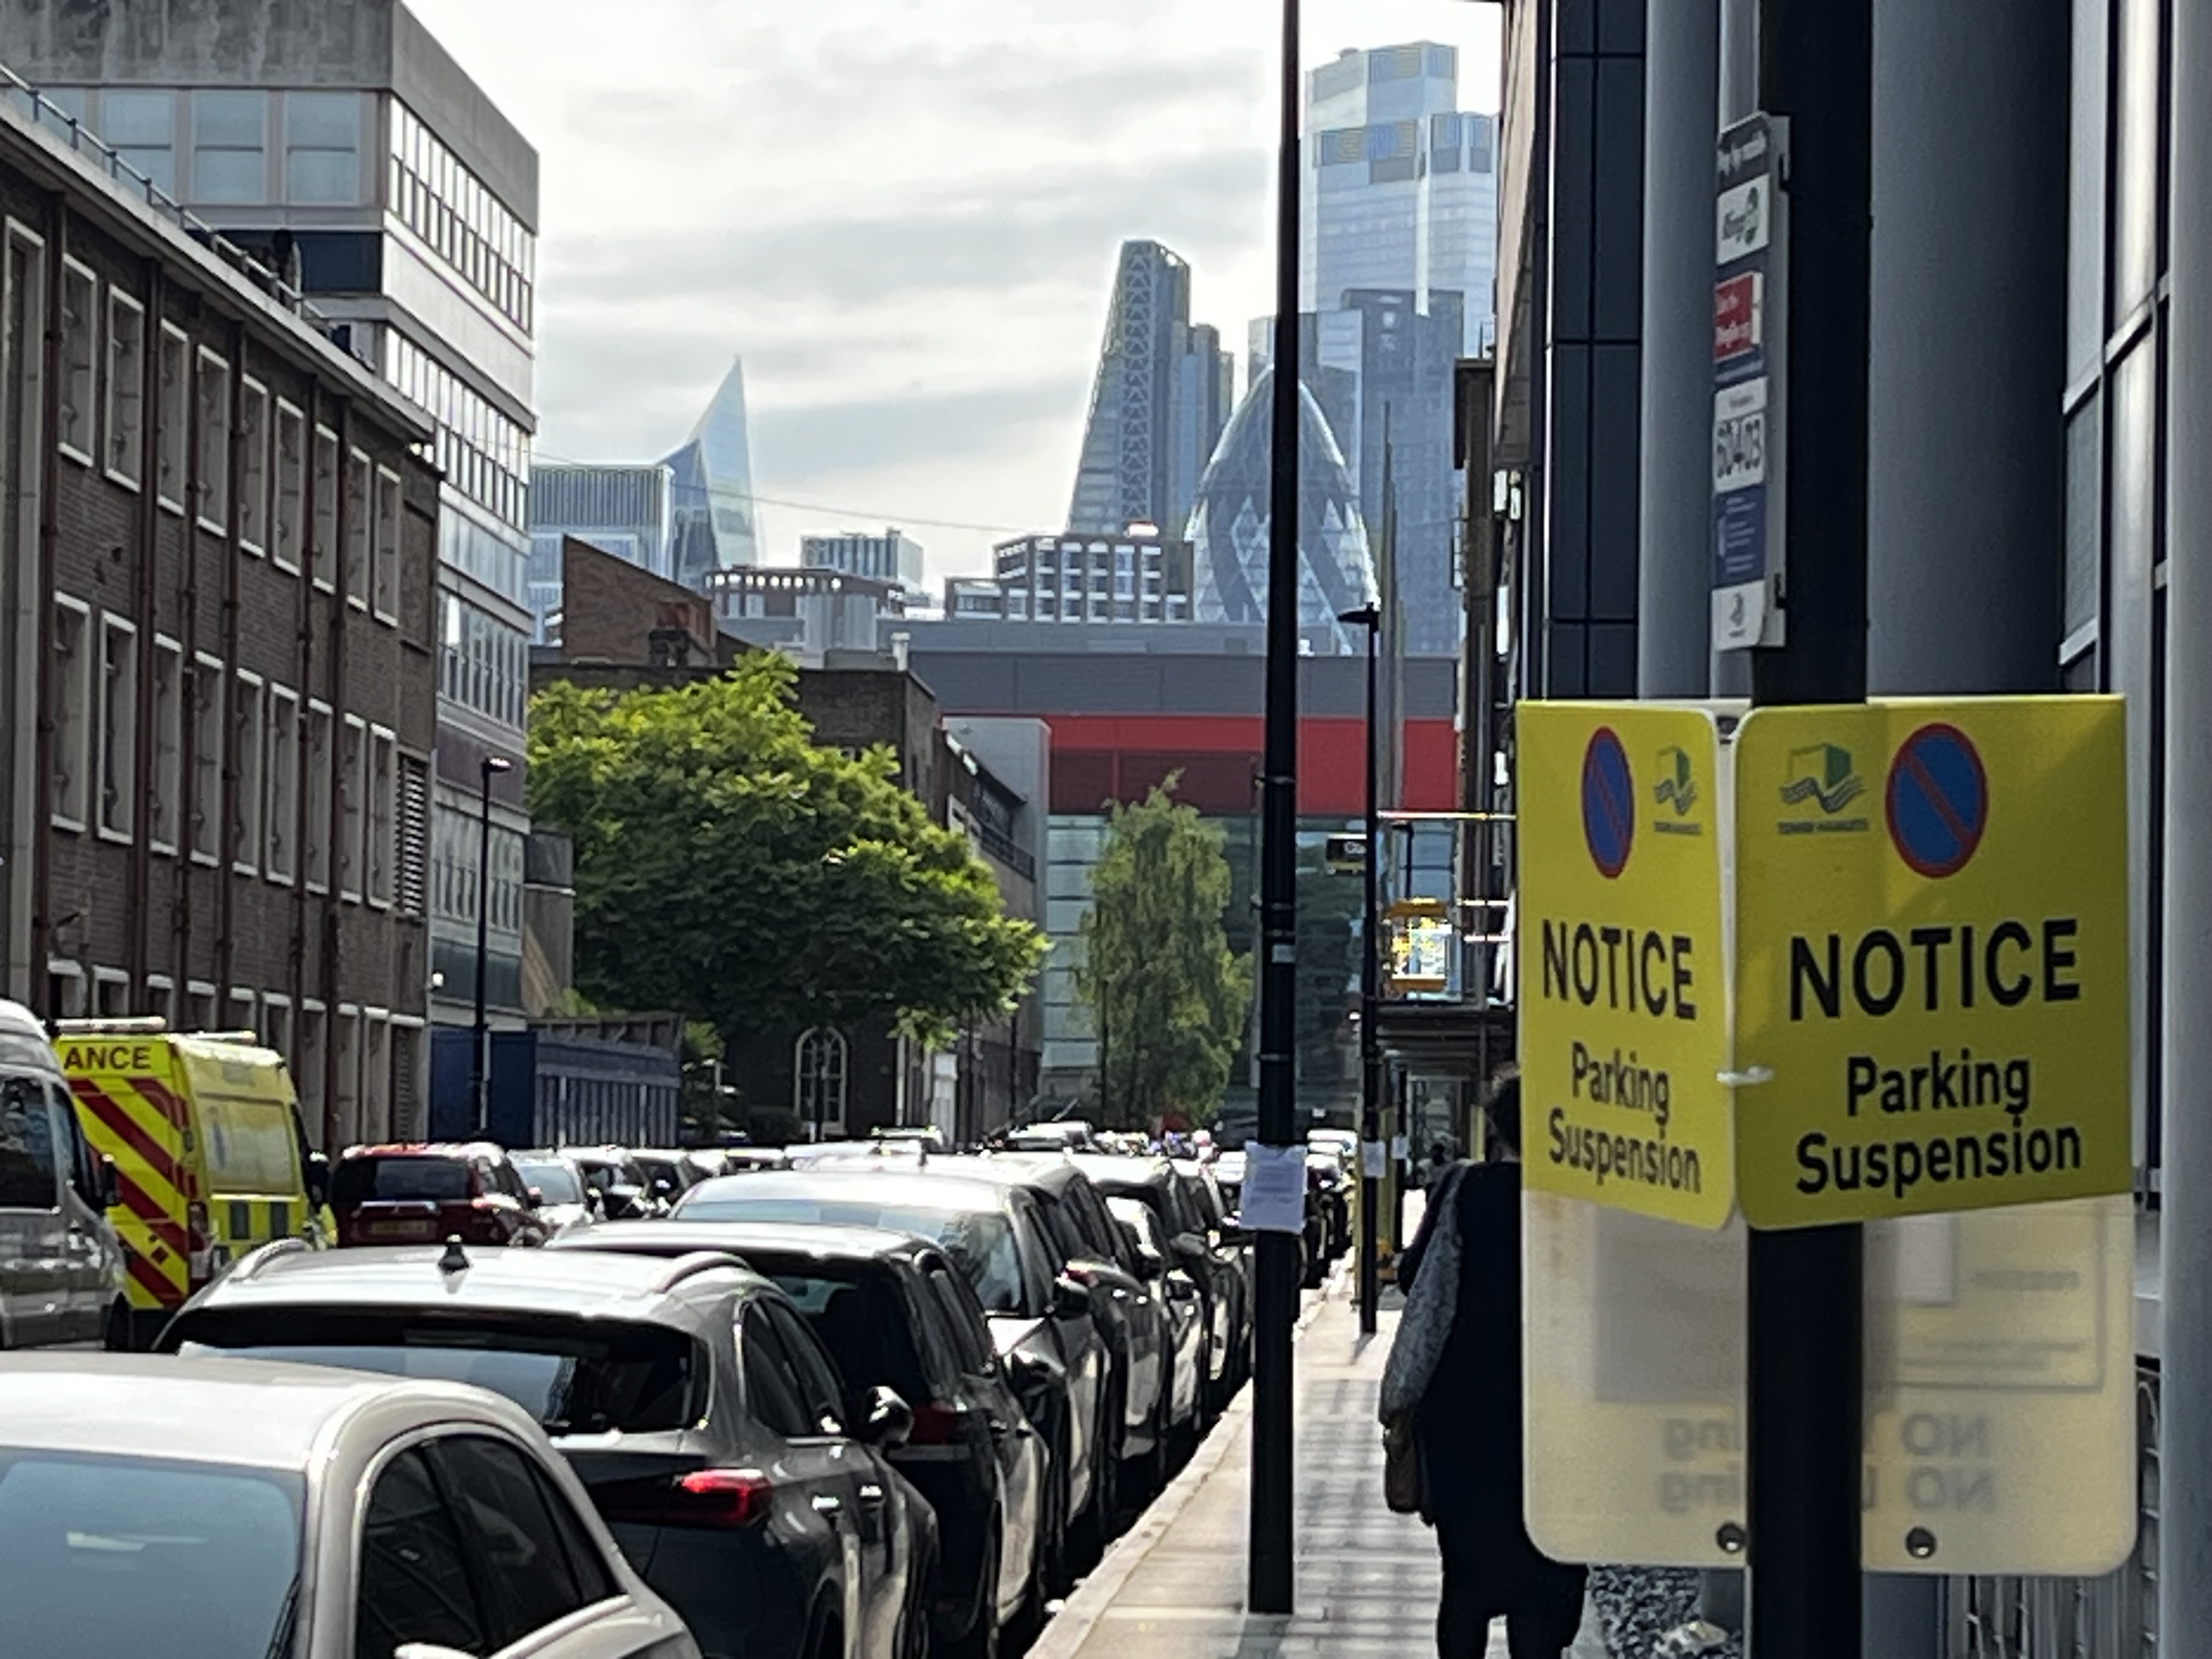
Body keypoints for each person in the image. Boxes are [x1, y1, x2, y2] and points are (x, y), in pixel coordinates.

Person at [1385, 1075, 1587, 1658]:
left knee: (1466, 1584)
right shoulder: (1577, 1201)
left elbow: (1411, 1277)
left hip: (1463, 1414)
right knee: (1543, 1584)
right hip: (1554, 1412)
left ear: (1496, 1127)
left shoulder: (1465, 1191)